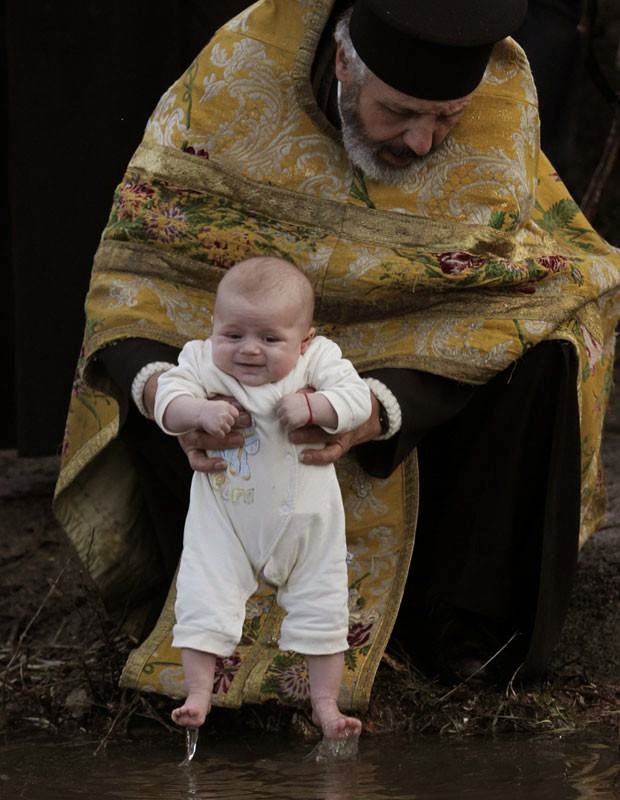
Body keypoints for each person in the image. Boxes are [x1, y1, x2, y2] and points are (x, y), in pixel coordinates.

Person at [54, 0, 619, 715]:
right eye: (400, 111)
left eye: (446, 118)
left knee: (557, 337)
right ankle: (198, 612)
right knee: (171, 360)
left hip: (420, 347)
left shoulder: (500, 99)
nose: (422, 142)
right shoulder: (240, 70)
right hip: (242, 374)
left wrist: (378, 410)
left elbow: (506, 289)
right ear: (346, 63)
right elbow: (138, 270)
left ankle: (463, 633)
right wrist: (172, 397)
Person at [154, 256, 370, 738]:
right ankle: (198, 694)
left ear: (304, 340)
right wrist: (198, 412)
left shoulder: (319, 359)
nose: (249, 349)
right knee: (202, 597)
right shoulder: (200, 361)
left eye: (270, 339)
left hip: (308, 527)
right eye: (233, 335)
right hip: (225, 522)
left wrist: (316, 405)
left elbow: (357, 400)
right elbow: (167, 399)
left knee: (324, 609)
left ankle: (326, 705)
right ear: (213, 327)